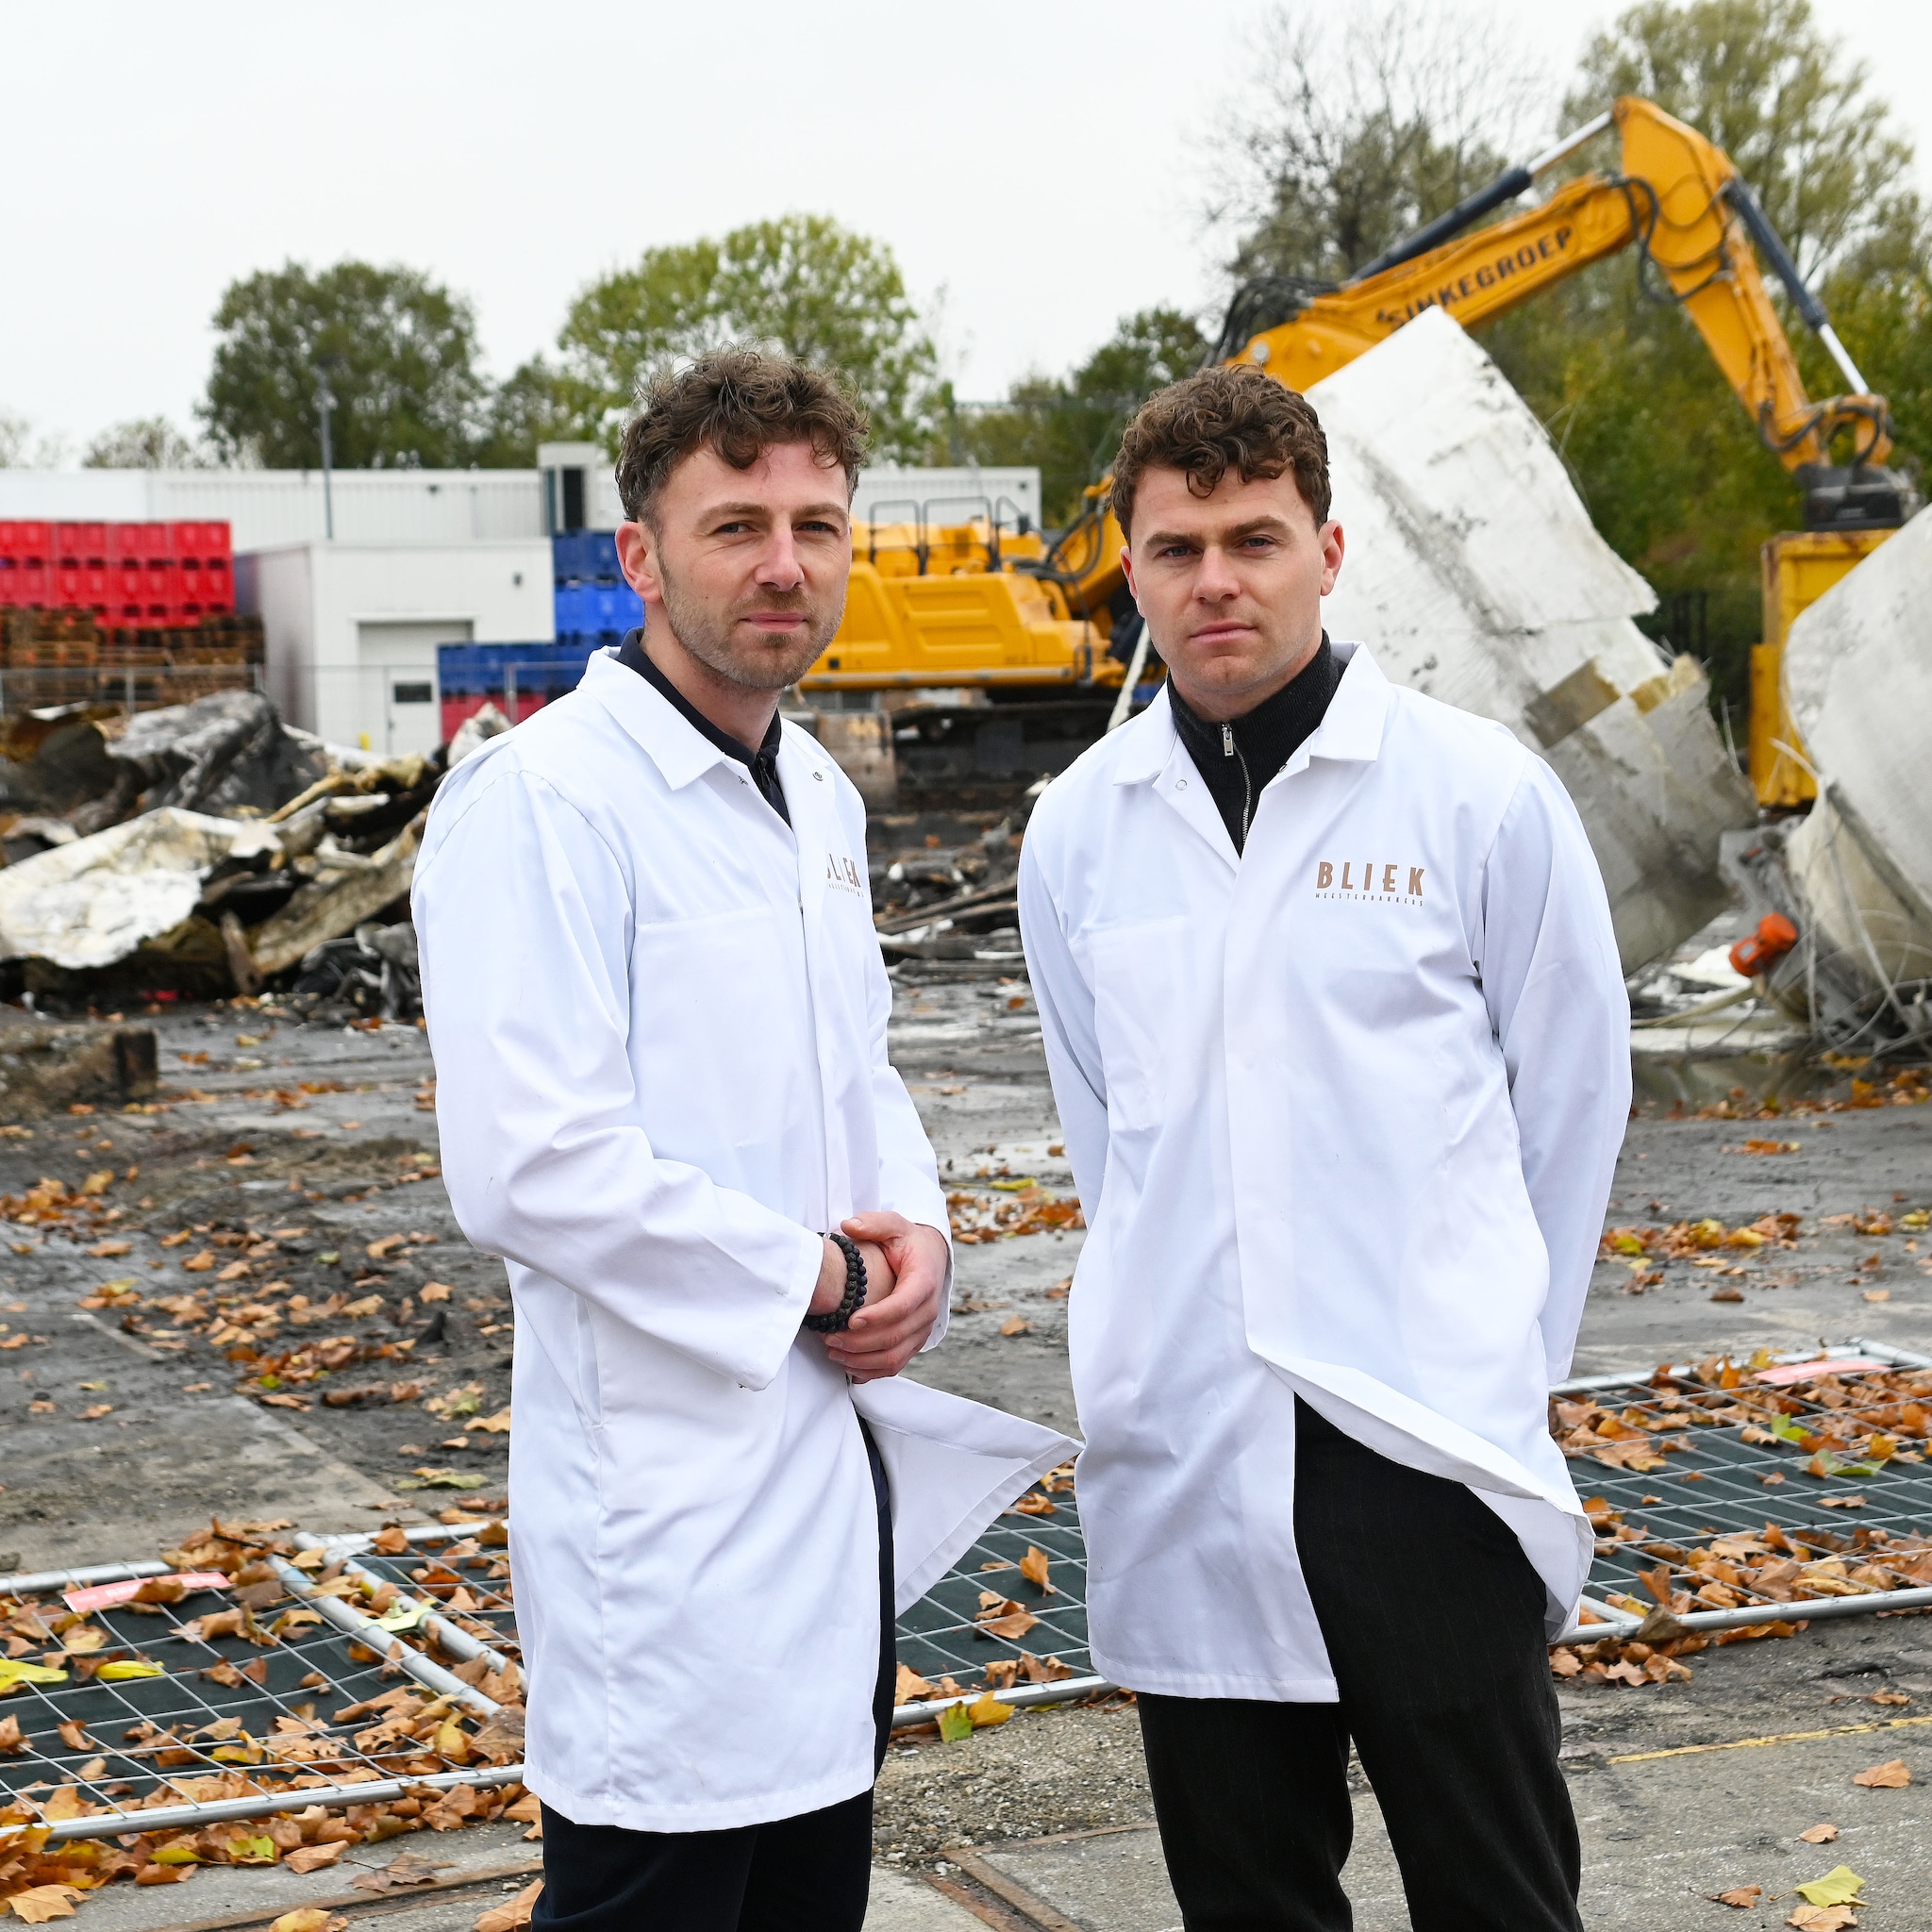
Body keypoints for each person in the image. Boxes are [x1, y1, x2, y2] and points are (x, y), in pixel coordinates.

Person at [414, 348, 1074, 1932]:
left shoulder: (820, 802)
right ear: (638, 557)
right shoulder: (545, 803)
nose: (785, 562)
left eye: (819, 523)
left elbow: (859, 1072)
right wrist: (817, 1278)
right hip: (663, 1525)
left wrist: (914, 1235)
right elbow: (530, 1163)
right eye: (735, 525)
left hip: (819, 1509)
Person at [1017, 364, 1629, 1932]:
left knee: (1496, 1895)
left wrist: (1496, 1357)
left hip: (1423, 1448)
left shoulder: (1476, 796)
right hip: (1194, 1443)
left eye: (1254, 538)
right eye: (1176, 548)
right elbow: (1112, 1139)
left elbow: (1570, 1105)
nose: (1216, 580)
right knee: (1250, 1901)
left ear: (1330, 551)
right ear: (1130, 568)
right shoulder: (1081, 828)